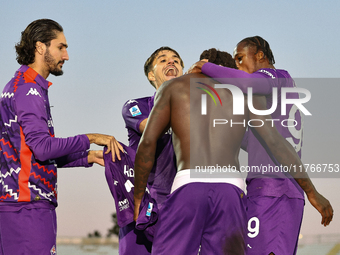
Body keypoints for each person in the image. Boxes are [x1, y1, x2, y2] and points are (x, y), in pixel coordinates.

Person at [188, 36, 333, 255]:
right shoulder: (274, 93)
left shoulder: (274, 75)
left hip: (275, 191)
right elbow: (260, 141)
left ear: (259, 55)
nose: (237, 66)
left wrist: (207, 67)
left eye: (240, 58)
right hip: (274, 190)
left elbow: (275, 140)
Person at [0, 19, 123, 255]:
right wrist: (92, 137)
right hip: (28, 209)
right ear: (40, 47)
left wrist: (87, 157)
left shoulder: (21, 85)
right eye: (61, 47)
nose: (66, 55)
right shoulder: (28, 89)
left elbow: (34, 154)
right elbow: (44, 149)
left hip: (19, 207)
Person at [134, 49, 251, 255]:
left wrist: (137, 198)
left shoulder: (173, 87)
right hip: (231, 187)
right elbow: (270, 144)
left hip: (189, 183)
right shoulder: (238, 93)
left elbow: (147, 143)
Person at [112, 46, 184, 254]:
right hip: (142, 202)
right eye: (163, 60)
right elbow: (150, 128)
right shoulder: (136, 105)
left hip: (180, 202)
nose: (171, 62)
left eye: (176, 60)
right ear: (151, 75)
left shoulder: (198, 107)